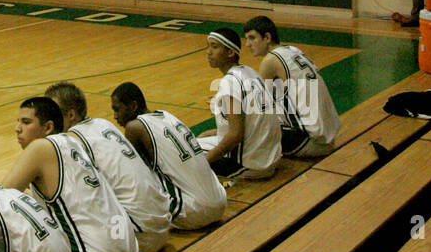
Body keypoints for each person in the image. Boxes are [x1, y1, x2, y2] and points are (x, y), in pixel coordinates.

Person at [0, 96, 137, 252]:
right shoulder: (73, 143)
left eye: (26, 122)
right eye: (18, 122)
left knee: (6, 241)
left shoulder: (40, 148)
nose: (17, 129)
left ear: (47, 127)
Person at [45, 81, 171, 252]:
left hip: (138, 238)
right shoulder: (104, 124)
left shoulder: (72, 141)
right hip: (162, 225)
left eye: (52, 113)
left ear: (71, 114)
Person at [112, 82, 227, 230]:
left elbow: (131, 176)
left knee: (131, 177)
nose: (115, 116)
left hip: (193, 212)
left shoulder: (134, 127)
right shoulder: (166, 115)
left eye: (117, 109)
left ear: (133, 106)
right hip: (220, 200)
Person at [242, 16, 340, 157]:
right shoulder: (293, 50)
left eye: (252, 38)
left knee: (249, 132)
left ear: (267, 37)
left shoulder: (270, 60)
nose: (247, 44)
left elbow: (256, 105)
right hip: (327, 137)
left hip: (309, 141)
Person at [200, 27, 281, 179]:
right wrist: (215, 133)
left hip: (250, 165)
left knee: (183, 153)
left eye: (215, 47)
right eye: (208, 46)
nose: (208, 52)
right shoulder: (250, 72)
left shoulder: (229, 82)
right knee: (202, 139)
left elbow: (235, 135)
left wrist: (203, 163)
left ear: (230, 52)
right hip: (269, 157)